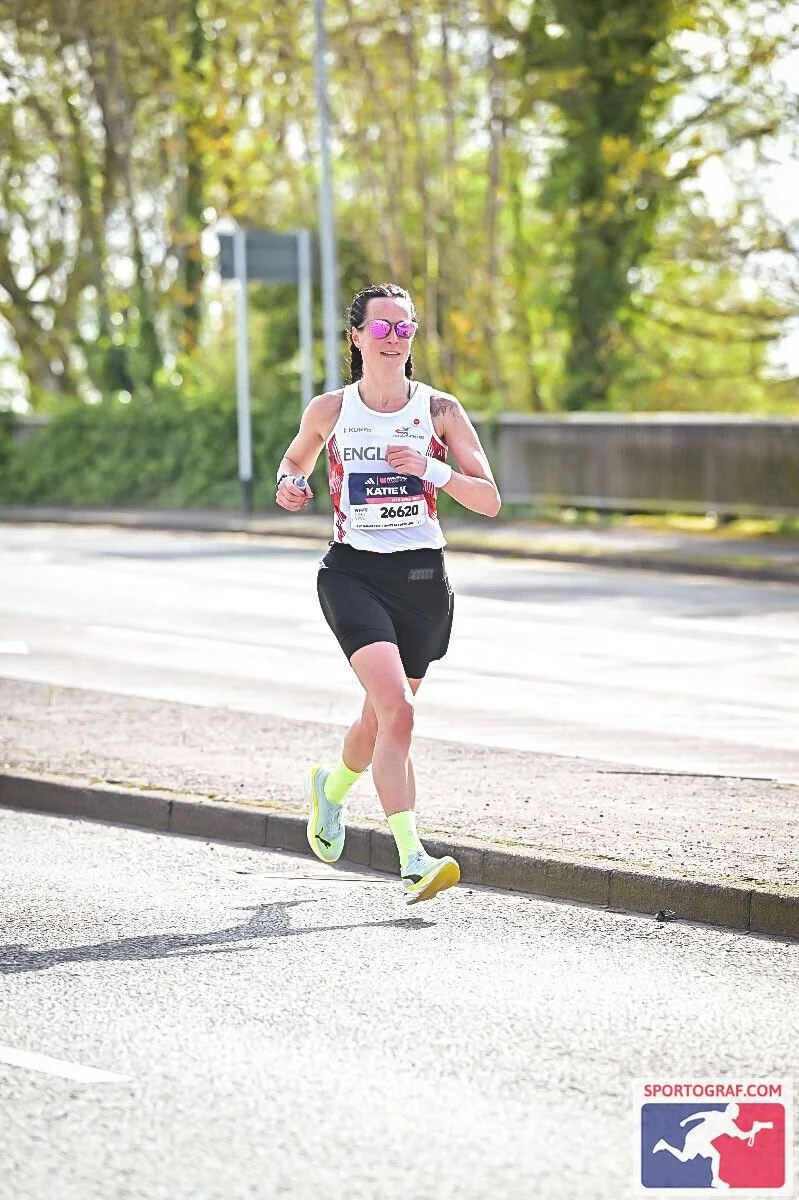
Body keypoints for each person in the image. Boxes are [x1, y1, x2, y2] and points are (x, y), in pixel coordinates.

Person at [275, 282, 501, 904]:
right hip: (352, 576)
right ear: (357, 336)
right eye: (381, 327)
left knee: (378, 720)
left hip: (423, 584)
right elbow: (294, 464)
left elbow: (489, 500)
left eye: (404, 328)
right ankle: (412, 859)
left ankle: (331, 790)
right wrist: (289, 485)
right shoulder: (331, 410)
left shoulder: (439, 411)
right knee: (399, 710)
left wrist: (430, 467)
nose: (394, 338)